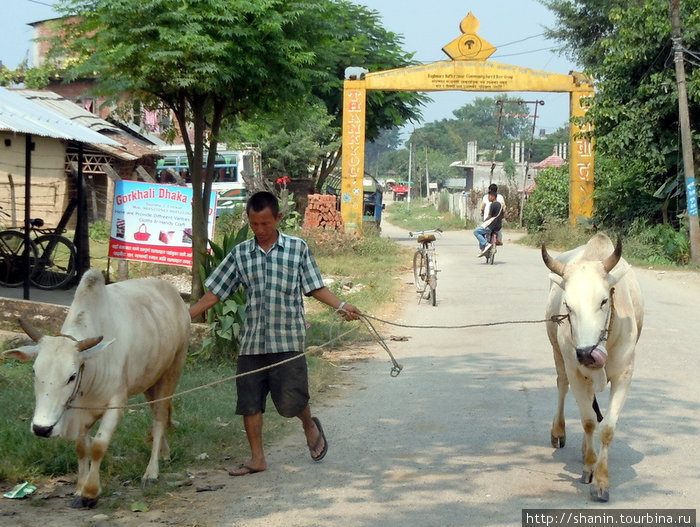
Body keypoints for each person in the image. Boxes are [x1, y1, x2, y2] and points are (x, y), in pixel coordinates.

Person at [188, 191, 362, 476]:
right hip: (253, 341)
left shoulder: (297, 248)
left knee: (291, 401)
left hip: (287, 339)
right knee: (249, 402)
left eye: (265, 224)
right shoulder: (241, 253)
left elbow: (314, 286)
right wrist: (185, 316)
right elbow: (215, 292)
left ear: (278, 219)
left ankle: (308, 423)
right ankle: (257, 458)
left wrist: (342, 305)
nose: (260, 230)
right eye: (254, 224)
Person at [474, 190, 504, 257]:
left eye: (489, 196)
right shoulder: (500, 205)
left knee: (476, 232)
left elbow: (490, 216)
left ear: (493, 197)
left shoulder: (492, 205)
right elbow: (502, 216)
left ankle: (485, 244)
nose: (488, 198)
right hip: (498, 226)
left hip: (491, 226)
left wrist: (484, 222)